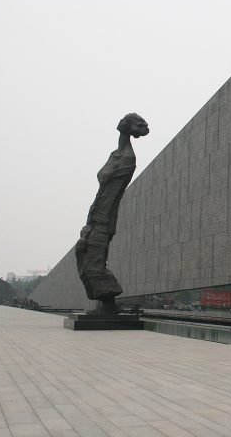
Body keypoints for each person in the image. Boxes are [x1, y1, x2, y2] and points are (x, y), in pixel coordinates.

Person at [75, 113, 149, 313]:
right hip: (94, 214)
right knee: (81, 251)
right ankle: (104, 303)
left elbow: (112, 189)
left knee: (93, 261)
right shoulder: (115, 155)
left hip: (104, 217)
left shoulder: (128, 158)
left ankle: (109, 303)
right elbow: (102, 182)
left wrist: (98, 222)